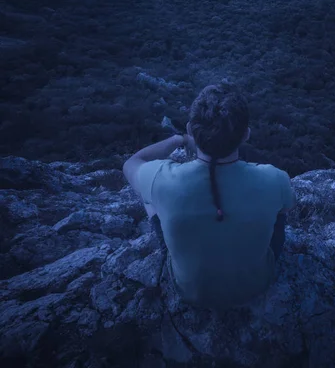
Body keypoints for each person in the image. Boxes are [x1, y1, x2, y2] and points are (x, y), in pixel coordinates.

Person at [123, 81, 296, 310]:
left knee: (151, 198)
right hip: (256, 284)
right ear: (246, 135)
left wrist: (178, 140)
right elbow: (286, 209)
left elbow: (131, 164)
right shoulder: (275, 179)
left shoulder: (162, 178)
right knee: (278, 210)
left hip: (191, 290)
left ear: (190, 129)